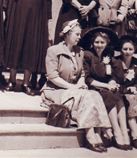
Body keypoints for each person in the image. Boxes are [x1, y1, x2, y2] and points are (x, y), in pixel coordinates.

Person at [41, 20, 111, 153]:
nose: (79, 37)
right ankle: (91, 134)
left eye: (79, 35)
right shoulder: (53, 50)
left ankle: (99, 132)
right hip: (55, 89)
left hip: (74, 89)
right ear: (67, 34)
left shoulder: (80, 51)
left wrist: (80, 83)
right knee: (85, 96)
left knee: (94, 94)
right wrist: (73, 87)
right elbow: (52, 76)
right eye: (77, 35)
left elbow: (82, 74)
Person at [3, 0, 51, 95]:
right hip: (18, 10)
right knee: (15, 43)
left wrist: (47, 18)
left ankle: (25, 83)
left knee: (31, 46)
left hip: (37, 13)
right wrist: (5, 9)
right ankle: (11, 80)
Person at [81, 27, 131, 150]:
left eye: (102, 42)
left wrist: (112, 83)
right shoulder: (88, 55)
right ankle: (117, 131)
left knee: (118, 95)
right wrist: (107, 86)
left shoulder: (106, 56)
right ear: (92, 43)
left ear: (107, 43)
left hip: (106, 87)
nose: (99, 45)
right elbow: (87, 79)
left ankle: (124, 132)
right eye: (97, 42)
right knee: (111, 95)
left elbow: (110, 75)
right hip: (93, 89)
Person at [112, 36, 137, 150]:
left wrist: (135, 87)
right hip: (119, 93)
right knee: (132, 101)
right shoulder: (115, 61)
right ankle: (135, 135)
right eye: (125, 49)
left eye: (130, 49)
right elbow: (112, 78)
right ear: (121, 49)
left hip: (131, 93)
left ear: (134, 50)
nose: (127, 52)